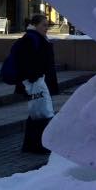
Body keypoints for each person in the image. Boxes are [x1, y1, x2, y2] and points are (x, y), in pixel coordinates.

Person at [12, 14, 59, 154]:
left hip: (40, 81)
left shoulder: (37, 38)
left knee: (37, 112)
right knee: (41, 112)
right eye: (44, 25)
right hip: (36, 82)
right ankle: (37, 145)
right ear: (35, 25)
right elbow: (26, 61)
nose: (46, 28)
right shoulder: (31, 39)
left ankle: (33, 145)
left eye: (47, 25)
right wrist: (35, 76)